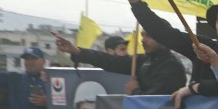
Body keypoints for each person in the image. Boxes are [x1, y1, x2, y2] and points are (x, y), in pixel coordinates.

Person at [53, 30, 186, 96]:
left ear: (163, 39)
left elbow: (154, 102)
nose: (143, 40)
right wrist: (76, 51)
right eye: (142, 35)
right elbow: (110, 61)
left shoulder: (171, 66)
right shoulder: (144, 60)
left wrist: (134, 91)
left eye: (148, 36)